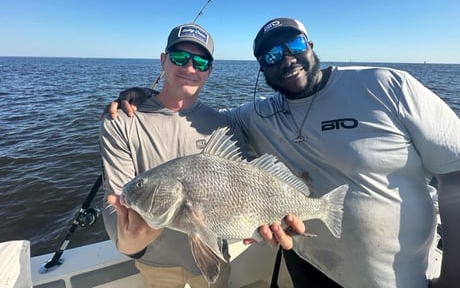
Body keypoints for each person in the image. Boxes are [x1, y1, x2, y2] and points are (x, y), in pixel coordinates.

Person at [109, 18, 460, 288]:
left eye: (293, 44)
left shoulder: (386, 86)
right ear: (262, 67)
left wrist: (454, 277)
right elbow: (193, 118)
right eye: (272, 55)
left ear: (309, 44)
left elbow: (456, 174)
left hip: (400, 278)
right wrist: (144, 95)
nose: (286, 58)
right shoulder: (255, 115)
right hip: (306, 264)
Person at [101, 22, 239, 288]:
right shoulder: (120, 120)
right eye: (179, 58)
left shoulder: (223, 123)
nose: (189, 68)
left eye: (200, 62)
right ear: (163, 60)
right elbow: (118, 204)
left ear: (209, 70)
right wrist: (131, 242)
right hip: (157, 265)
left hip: (216, 257)